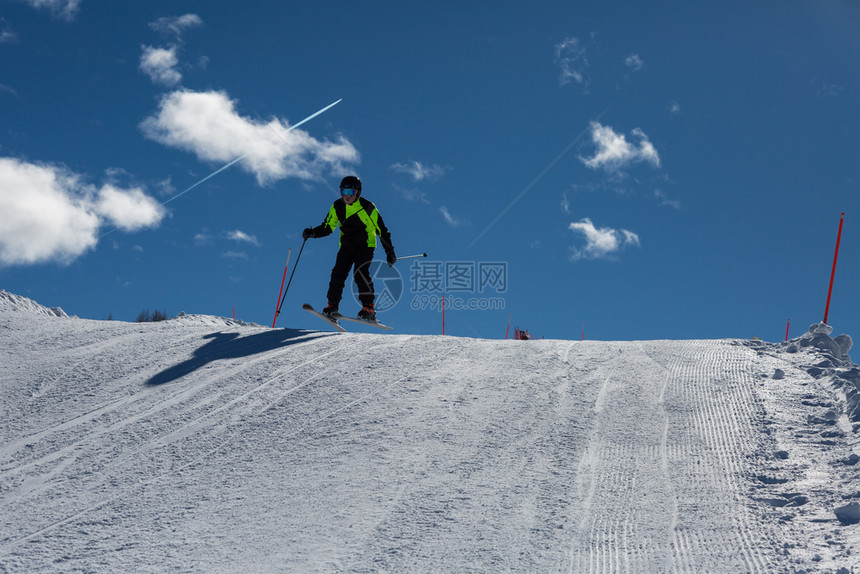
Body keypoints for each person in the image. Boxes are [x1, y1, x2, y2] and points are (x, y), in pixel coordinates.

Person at [302, 175, 396, 321]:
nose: (346, 196)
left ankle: (368, 308)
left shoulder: (368, 207)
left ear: (358, 192)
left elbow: (382, 231)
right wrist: (312, 233)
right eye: (343, 192)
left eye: (350, 192)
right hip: (346, 245)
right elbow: (328, 227)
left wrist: (390, 252)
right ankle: (332, 306)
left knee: (360, 273)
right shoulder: (337, 206)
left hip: (365, 245)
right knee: (338, 273)